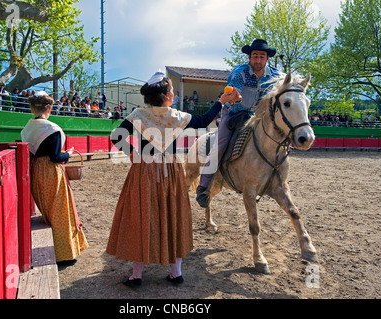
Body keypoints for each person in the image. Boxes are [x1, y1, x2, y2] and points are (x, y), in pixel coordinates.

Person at [106, 71, 240, 287]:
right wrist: (220, 102)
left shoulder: (138, 115)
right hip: (172, 170)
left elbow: (115, 136)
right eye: (171, 91)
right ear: (167, 95)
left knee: (142, 215)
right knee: (173, 214)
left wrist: (132, 153)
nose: (174, 94)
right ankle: (176, 272)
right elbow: (204, 120)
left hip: (144, 171)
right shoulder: (177, 116)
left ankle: (137, 275)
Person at [196, 39, 282, 208]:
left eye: (261, 57)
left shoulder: (276, 76)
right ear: (249, 57)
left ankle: (273, 179)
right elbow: (234, 91)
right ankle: (203, 187)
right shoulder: (239, 72)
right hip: (234, 113)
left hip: (258, 116)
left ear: (267, 59)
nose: (258, 60)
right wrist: (237, 97)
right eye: (255, 56)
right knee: (219, 145)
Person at [21, 91, 88, 267]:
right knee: (61, 212)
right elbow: (55, 157)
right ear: (49, 108)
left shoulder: (26, 130)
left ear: (32, 108)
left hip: (36, 171)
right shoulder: (52, 129)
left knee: (48, 212)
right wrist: (68, 154)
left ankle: (56, 250)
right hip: (51, 172)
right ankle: (65, 254)